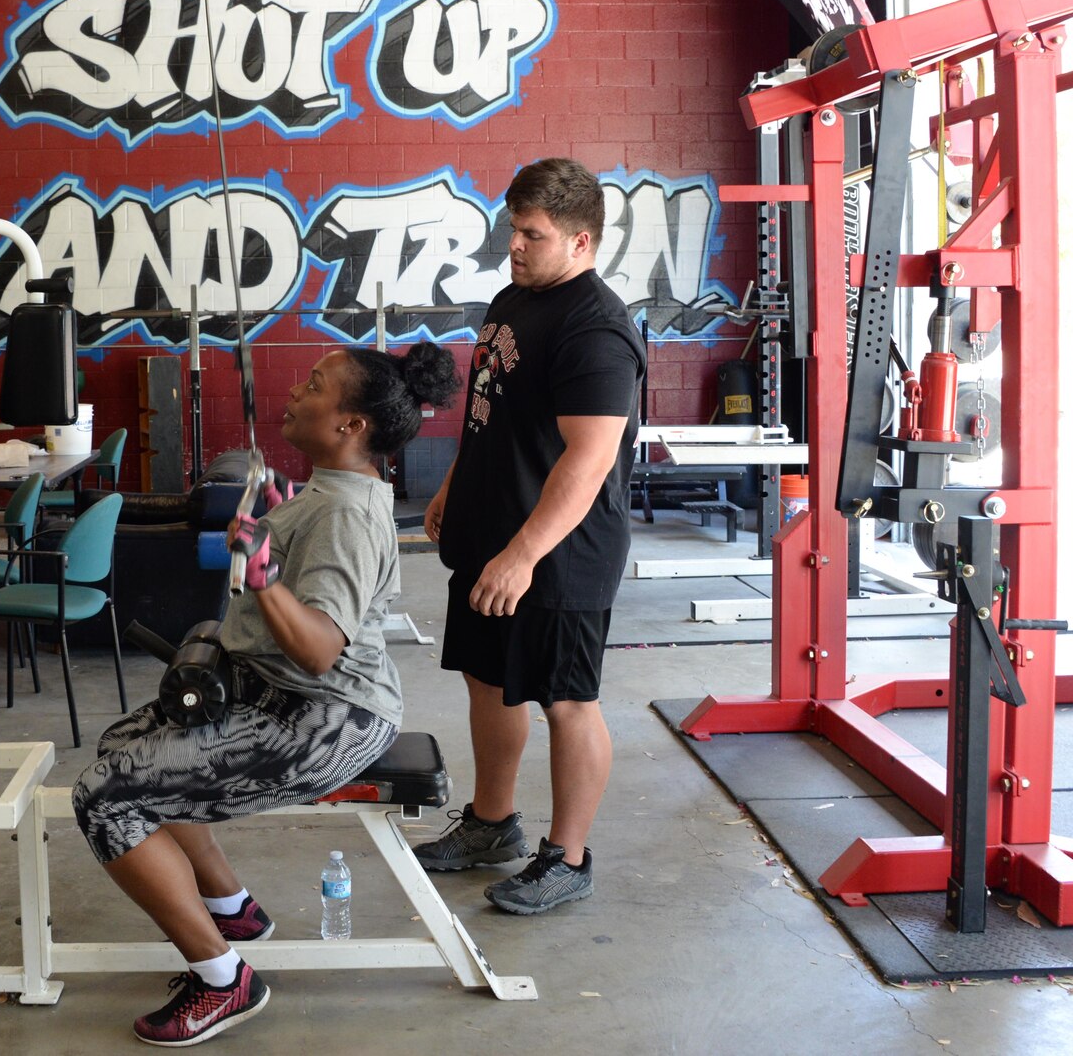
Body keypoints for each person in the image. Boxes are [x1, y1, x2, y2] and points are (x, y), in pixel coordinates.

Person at [72, 341, 461, 1047]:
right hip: (279, 692)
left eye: (315, 386)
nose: (294, 391)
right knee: (123, 747)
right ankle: (232, 907)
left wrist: (262, 575)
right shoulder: (332, 488)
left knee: (106, 795)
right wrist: (279, 525)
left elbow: (318, 647)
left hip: (323, 718)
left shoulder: (345, 514)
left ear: (351, 425)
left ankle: (224, 980)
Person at [412, 157, 644, 916]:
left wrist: (522, 554)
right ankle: (491, 823)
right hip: (491, 535)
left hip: (559, 554)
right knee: (487, 678)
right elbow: (494, 413)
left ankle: (568, 856)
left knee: (565, 700)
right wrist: (453, 484)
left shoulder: (597, 328)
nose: (514, 244)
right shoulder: (513, 299)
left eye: (531, 233)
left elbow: (589, 458)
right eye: (513, 228)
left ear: (581, 241)